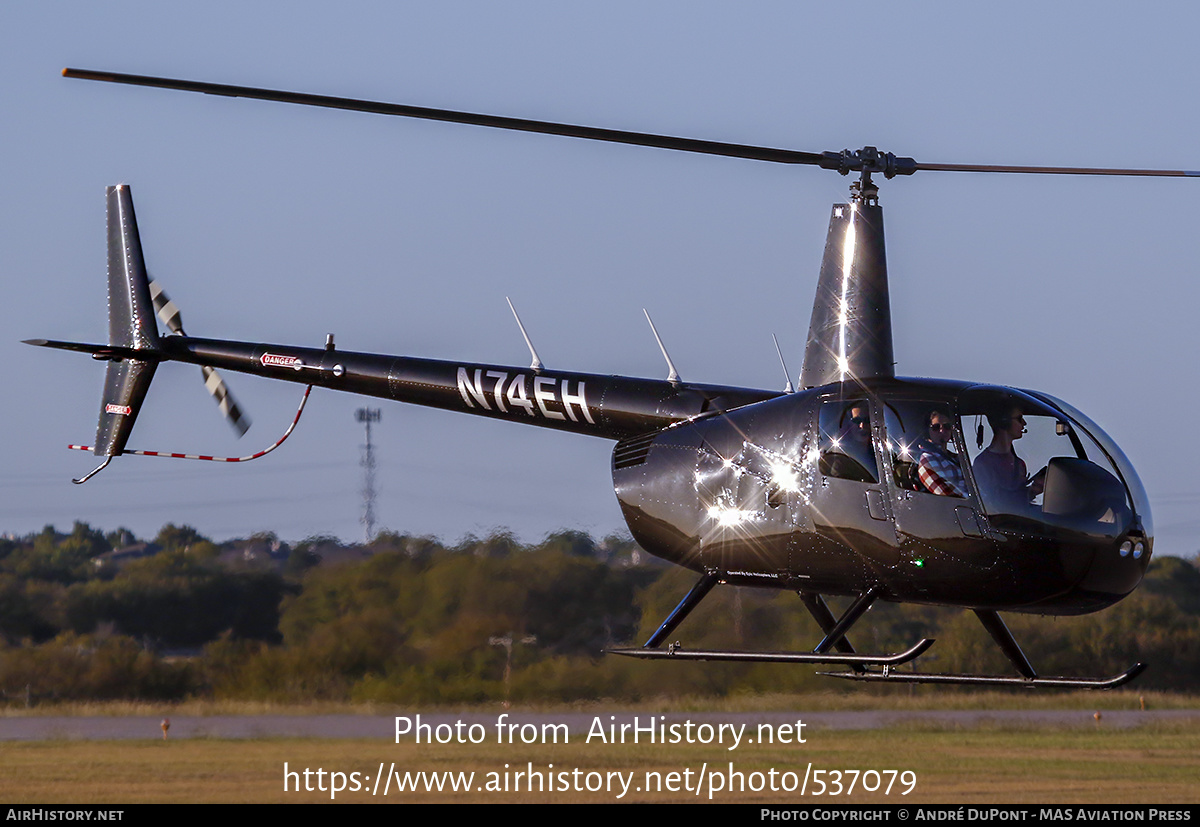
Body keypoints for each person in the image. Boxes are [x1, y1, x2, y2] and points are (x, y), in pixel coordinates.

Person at [972, 406, 1044, 508]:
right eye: (1019, 419)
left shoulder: (1019, 463)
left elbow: (1017, 502)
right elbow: (991, 504)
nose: (1024, 423)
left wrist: (1035, 489)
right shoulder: (983, 463)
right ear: (1004, 422)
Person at [916, 408, 967, 497]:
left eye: (947, 426)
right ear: (927, 430)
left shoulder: (955, 458)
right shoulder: (927, 459)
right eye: (936, 427)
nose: (942, 431)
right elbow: (946, 495)